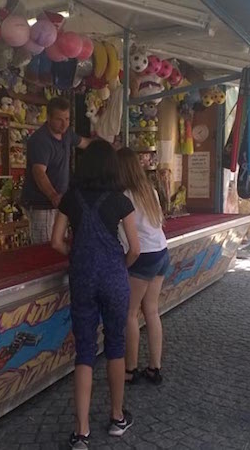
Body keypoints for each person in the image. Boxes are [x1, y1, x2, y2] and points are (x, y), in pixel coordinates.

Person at [51, 140, 140, 450]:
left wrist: (77, 256)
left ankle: (81, 431)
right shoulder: (121, 201)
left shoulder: (70, 199)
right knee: (115, 345)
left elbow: (56, 241)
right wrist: (117, 266)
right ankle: (117, 417)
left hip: (83, 278)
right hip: (114, 278)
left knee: (85, 351)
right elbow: (135, 248)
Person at [116, 148, 168, 386]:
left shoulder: (123, 196)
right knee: (152, 311)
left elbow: (130, 243)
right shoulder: (150, 191)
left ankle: (130, 369)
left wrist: (126, 266)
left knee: (130, 313)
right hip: (161, 252)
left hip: (142, 256)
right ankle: (154, 367)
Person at [22, 97, 92, 244]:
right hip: (42, 204)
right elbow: (39, 172)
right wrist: (53, 195)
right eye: (59, 120)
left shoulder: (67, 134)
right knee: (45, 248)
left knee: (60, 244)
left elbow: (85, 143)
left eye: (67, 119)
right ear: (48, 118)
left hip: (60, 203)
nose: (64, 124)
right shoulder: (40, 140)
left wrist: (106, 146)